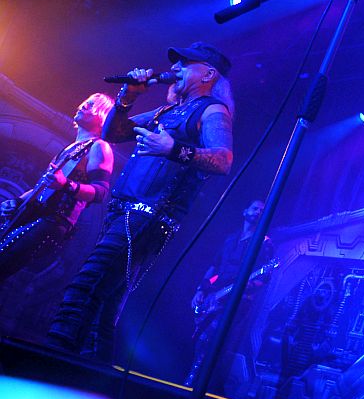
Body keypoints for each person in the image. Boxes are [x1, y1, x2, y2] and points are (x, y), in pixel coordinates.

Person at [47, 42, 234, 361]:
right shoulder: (166, 111)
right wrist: (128, 96)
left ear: (208, 74)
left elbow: (223, 160)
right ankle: (91, 369)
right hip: (123, 211)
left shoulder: (212, 110)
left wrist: (173, 149)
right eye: (175, 63)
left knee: (88, 282)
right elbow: (114, 133)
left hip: (150, 215)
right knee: (106, 301)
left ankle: (53, 355)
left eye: (184, 64)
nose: (174, 68)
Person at [0, 93, 115, 283]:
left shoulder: (100, 147)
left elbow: (100, 192)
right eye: (85, 102)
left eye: (91, 105)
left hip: (54, 220)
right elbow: (42, 186)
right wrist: (17, 201)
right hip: (37, 214)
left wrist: (66, 184)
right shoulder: (71, 148)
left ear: (102, 116)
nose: (83, 106)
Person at [186, 199, 275, 393]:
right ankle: (191, 379)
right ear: (245, 211)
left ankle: (203, 386)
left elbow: (264, 277)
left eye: (262, 210)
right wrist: (201, 290)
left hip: (237, 301)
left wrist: (248, 287)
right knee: (200, 338)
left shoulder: (264, 243)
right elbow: (215, 267)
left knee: (213, 340)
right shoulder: (230, 239)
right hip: (215, 295)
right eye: (255, 208)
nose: (258, 212)